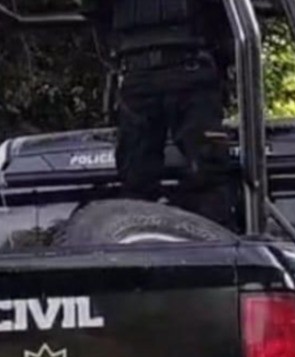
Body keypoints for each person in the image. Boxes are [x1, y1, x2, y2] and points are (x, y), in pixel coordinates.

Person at [79, 0, 237, 230]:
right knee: (136, 177)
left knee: (208, 170)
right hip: (144, 75)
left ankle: (215, 246)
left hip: (188, 69)